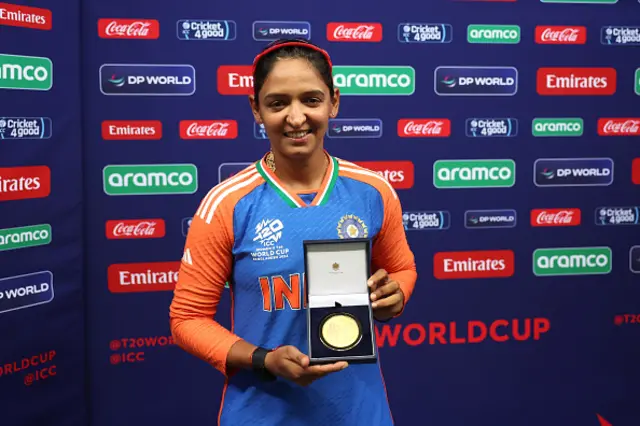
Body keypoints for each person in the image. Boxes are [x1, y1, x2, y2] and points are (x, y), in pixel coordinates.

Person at [169, 38, 417, 426]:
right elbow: (187, 319)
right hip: (263, 413)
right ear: (256, 109)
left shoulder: (373, 191)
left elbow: (402, 269)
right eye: (278, 103)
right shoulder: (228, 203)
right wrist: (263, 359)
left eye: (311, 100)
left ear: (334, 102)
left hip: (359, 412)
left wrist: (395, 296)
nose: (296, 117)